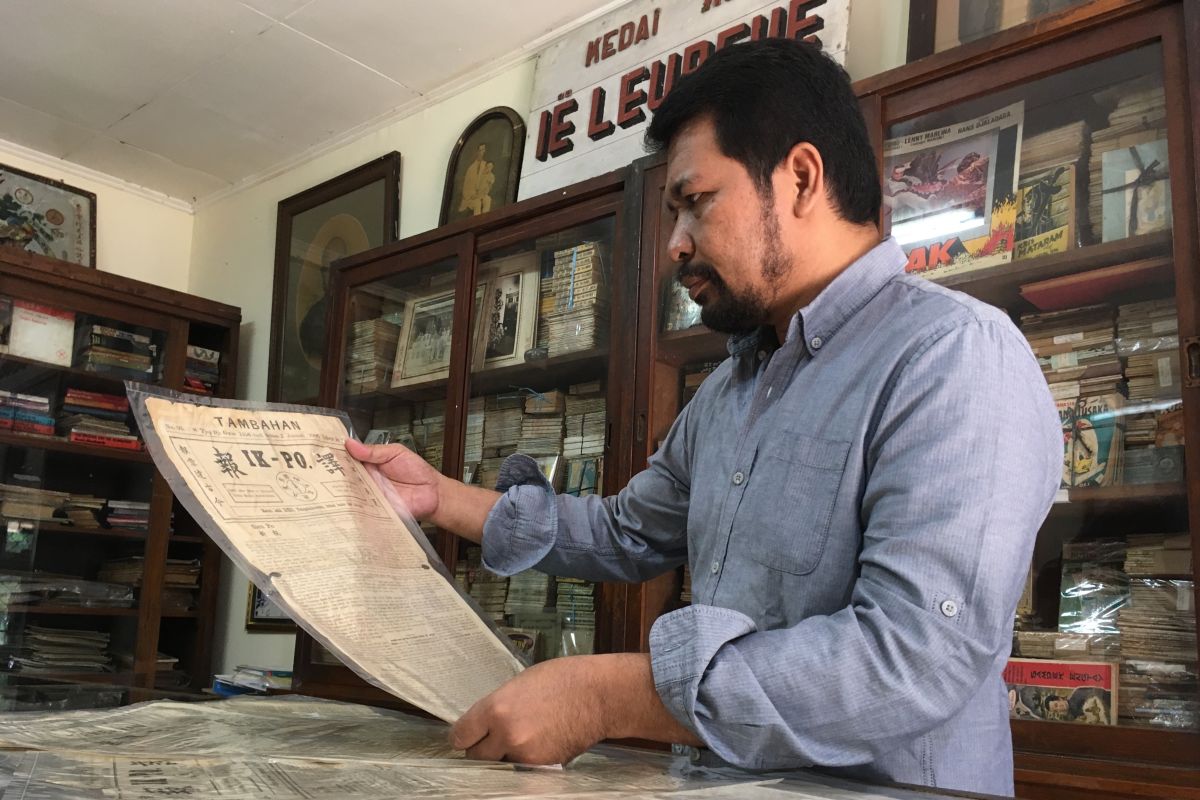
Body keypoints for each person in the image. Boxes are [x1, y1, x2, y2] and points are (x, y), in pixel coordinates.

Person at [347, 38, 1060, 797]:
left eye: (696, 201)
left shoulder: (954, 357)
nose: (676, 243)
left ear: (802, 178)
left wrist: (606, 694)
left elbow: (915, 656)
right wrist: (438, 498)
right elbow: (626, 531)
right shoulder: (727, 390)